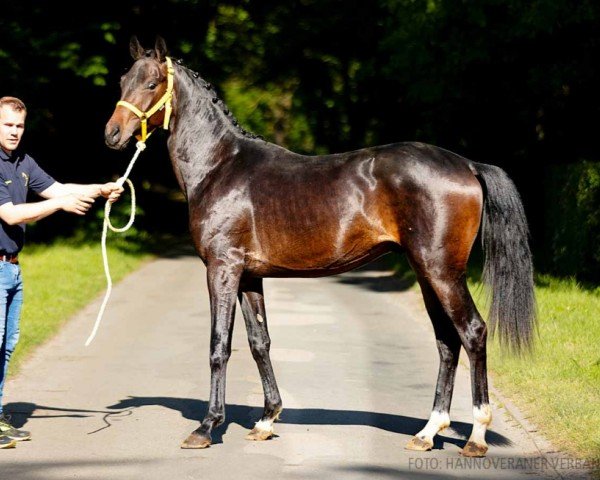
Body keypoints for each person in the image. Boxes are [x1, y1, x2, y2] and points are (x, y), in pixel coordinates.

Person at [0, 96, 123, 449]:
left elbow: (60, 189)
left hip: (13, 270)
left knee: (6, 347)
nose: (14, 132)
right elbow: (10, 215)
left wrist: (99, 190)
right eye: (8, 125)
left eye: (19, 126)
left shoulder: (23, 162)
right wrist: (59, 205)